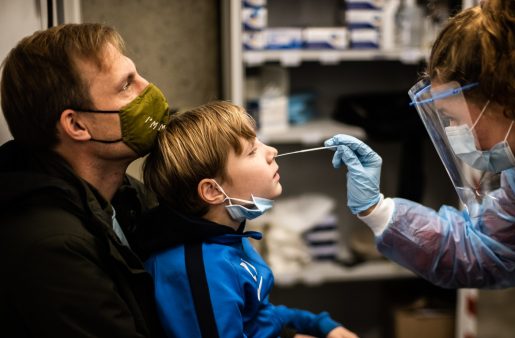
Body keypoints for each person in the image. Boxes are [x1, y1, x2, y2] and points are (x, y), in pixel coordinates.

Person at [324, 0, 515, 289]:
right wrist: (375, 209)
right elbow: (483, 252)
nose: (455, 133)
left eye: (453, 118)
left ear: (510, 96)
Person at [0, 24, 170, 336]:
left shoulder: (125, 196)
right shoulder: (50, 250)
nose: (148, 88)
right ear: (77, 124)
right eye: (125, 86)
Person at [134, 101, 358, 338]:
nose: (272, 152)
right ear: (212, 191)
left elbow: (257, 314)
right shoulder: (200, 271)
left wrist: (318, 325)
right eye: (252, 151)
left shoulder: (225, 235)